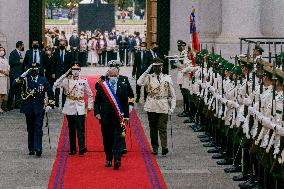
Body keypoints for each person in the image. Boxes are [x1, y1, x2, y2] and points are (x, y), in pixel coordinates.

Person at [94, 61, 135, 170]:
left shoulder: (123, 83)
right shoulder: (103, 85)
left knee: (119, 137)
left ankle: (117, 159)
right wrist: (97, 113)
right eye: (111, 75)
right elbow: (97, 100)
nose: (113, 77)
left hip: (119, 116)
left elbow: (127, 100)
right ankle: (108, 157)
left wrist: (128, 112)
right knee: (107, 139)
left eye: (114, 75)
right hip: (105, 117)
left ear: (118, 74)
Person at [137, 58, 176, 155]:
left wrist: (172, 108)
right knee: (153, 128)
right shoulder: (149, 77)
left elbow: (172, 95)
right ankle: (155, 147)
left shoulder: (167, 78)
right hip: (152, 105)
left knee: (162, 127)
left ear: (162, 66)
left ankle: (164, 147)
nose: (157, 68)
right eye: (155, 66)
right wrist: (147, 70)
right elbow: (139, 82)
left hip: (163, 105)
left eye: (159, 66)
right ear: (153, 67)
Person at [15, 63, 55, 157]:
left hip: (39, 108)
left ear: (38, 70)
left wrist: (50, 104)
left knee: (38, 128)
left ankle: (38, 148)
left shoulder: (43, 79)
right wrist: (23, 74)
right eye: (32, 69)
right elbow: (14, 85)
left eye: (35, 69)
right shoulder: (25, 79)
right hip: (28, 108)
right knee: (30, 128)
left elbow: (50, 93)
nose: (34, 71)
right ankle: (31, 148)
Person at [53, 63, 93, 155]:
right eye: (73, 70)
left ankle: (82, 147)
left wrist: (89, 106)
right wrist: (65, 74)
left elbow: (90, 94)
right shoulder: (66, 80)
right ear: (71, 71)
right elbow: (56, 84)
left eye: (77, 70)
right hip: (70, 106)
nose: (75, 72)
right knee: (71, 129)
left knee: (80, 127)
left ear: (79, 71)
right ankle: (73, 149)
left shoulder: (84, 81)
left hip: (80, 106)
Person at [53, 40, 73, 107]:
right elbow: (53, 63)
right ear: (59, 45)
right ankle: (56, 103)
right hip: (57, 73)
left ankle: (64, 103)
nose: (62, 45)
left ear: (65, 45)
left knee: (65, 88)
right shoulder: (55, 53)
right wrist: (53, 73)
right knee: (57, 88)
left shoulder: (69, 53)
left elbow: (71, 65)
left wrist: (70, 74)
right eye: (60, 44)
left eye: (63, 44)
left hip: (66, 74)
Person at [7, 41, 25, 110]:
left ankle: (17, 104)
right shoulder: (13, 53)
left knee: (18, 90)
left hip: (19, 75)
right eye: (23, 45)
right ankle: (9, 105)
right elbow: (11, 62)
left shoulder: (19, 53)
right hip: (14, 75)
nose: (23, 47)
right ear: (20, 46)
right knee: (12, 90)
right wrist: (19, 61)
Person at [0, 47, 10, 112]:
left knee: (3, 93)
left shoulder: (6, 59)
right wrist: (4, 72)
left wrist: (7, 72)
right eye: (0, 50)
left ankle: (0, 106)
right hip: (0, 77)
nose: (2, 51)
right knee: (0, 93)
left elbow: (8, 67)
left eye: (3, 50)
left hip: (5, 78)